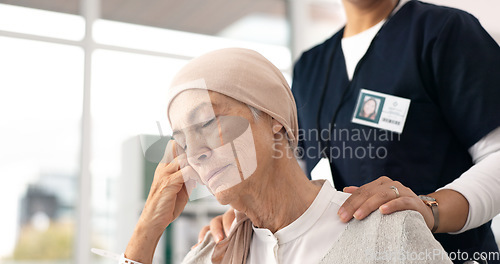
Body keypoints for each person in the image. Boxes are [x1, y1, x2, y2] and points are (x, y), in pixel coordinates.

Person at [201, 1, 500, 263]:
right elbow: (295, 171)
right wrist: (250, 219)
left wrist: (431, 209)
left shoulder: (444, 32)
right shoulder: (310, 67)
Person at [119, 48, 452, 264]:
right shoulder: (210, 253)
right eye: (181, 139)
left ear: (275, 120)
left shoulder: (387, 234)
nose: (195, 152)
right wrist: (148, 227)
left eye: (207, 122)